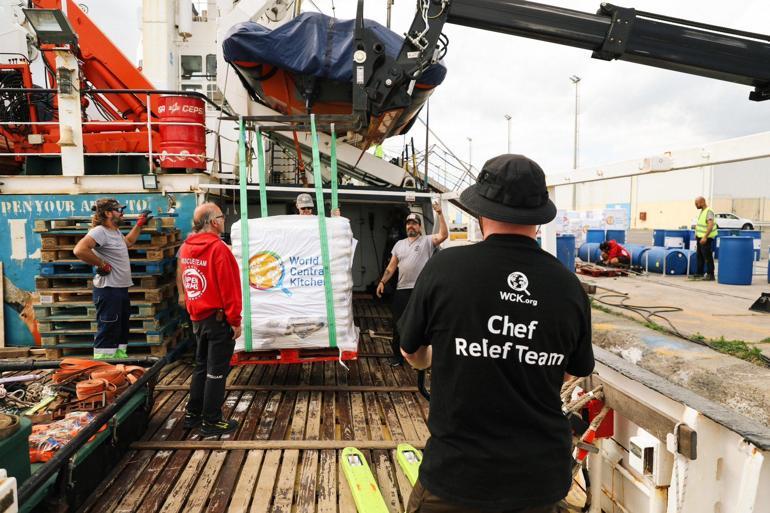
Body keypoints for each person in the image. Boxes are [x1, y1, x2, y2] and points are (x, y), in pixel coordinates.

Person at [398, 154, 595, 513]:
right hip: (539, 482)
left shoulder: (445, 268)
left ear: (481, 212)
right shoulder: (569, 287)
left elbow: (411, 350)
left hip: (456, 478)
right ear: (537, 219)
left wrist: (437, 357)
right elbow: (571, 371)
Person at [177, 203, 243, 436]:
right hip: (218, 320)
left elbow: (185, 279)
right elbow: (230, 288)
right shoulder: (218, 249)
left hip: (198, 318)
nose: (223, 219)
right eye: (221, 216)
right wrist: (235, 320)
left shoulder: (186, 248)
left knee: (201, 366)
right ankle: (211, 421)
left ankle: (193, 415)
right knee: (216, 371)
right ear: (214, 222)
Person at [73, 198, 153, 359]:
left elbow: (128, 242)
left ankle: (118, 366)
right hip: (108, 291)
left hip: (120, 290)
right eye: (118, 210)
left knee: (121, 330)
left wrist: (139, 224)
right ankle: (104, 370)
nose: (122, 213)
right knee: (108, 331)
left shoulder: (114, 231)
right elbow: (79, 249)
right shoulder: (99, 231)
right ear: (108, 213)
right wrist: (102, 264)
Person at [376, 204, 448, 366]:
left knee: (422, 324)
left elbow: (444, 235)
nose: (411, 226)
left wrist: (440, 213)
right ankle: (397, 357)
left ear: (420, 227)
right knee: (398, 324)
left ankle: (420, 358)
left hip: (420, 290)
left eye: (414, 223)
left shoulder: (427, 241)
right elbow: (391, 266)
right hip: (402, 291)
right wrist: (382, 282)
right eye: (408, 223)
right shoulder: (399, 244)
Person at [692, 196, 717, 281]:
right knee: (700, 256)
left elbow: (710, 225)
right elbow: (701, 224)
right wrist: (697, 234)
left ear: (702, 202)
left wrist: (705, 237)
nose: (696, 205)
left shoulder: (709, 211)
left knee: (707, 256)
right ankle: (700, 273)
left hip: (706, 238)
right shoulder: (703, 211)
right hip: (700, 237)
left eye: (697, 203)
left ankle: (711, 275)